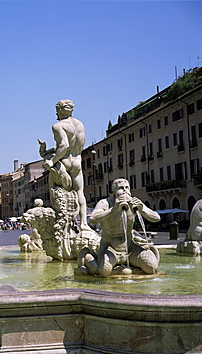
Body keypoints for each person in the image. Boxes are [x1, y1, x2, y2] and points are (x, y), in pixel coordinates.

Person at [87, 178, 160, 276]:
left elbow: (156, 218)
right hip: (110, 248)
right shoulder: (105, 203)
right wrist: (113, 209)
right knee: (103, 272)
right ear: (114, 191)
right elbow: (92, 219)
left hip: (130, 248)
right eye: (121, 188)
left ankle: (125, 267)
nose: (124, 190)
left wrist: (142, 209)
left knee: (152, 268)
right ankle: (88, 258)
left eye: (127, 188)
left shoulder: (134, 202)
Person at [38, 99, 89, 229]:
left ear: (60, 111)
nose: (56, 115)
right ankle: (83, 224)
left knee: (54, 190)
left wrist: (51, 160)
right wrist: (48, 150)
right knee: (80, 194)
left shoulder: (58, 126)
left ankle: (60, 223)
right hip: (77, 163)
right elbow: (73, 146)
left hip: (64, 163)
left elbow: (64, 145)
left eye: (57, 111)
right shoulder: (80, 124)